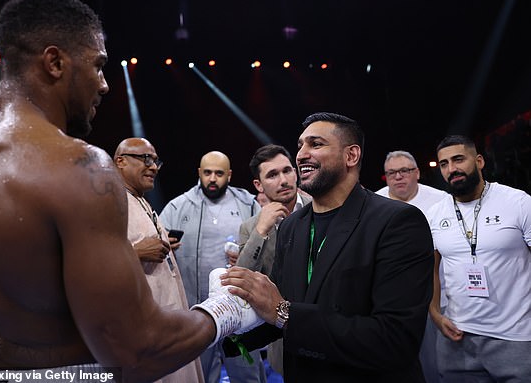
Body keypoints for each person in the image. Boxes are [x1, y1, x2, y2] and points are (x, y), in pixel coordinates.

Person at [0, 0, 261, 382]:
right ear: (54, 61)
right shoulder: (78, 166)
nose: (105, 84)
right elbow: (137, 350)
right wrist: (223, 311)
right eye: (98, 65)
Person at [221, 112, 434, 382]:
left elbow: (393, 339)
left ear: (351, 155)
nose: (301, 154)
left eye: (316, 144)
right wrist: (220, 331)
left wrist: (284, 313)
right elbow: (274, 306)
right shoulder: (292, 226)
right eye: (300, 145)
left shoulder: (398, 222)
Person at [427, 135, 531, 382]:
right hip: (456, 337)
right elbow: (429, 269)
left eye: (459, 159)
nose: (452, 169)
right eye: (444, 164)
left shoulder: (518, 202)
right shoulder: (434, 214)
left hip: (515, 336)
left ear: (479, 161)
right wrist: (435, 314)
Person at [159, 151, 266, 383]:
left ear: (229, 175)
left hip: (239, 309)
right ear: (199, 173)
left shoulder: (247, 203)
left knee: (248, 376)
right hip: (197, 312)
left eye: (219, 173)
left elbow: (266, 244)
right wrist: (165, 243)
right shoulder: (179, 206)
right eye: (207, 173)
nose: (213, 179)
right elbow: (156, 244)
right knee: (200, 377)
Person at [113, 137, 204, 383]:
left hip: (168, 323)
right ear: (120, 161)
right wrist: (135, 252)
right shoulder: (109, 202)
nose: (153, 166)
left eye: (155, 161)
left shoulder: (141, 201)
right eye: (145, 159)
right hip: (143, 330)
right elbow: (87, 264)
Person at [236, 144, 312, 377]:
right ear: (258, 185)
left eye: (287, 171)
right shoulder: (251, 227)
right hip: (283, 335)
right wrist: (261, 230)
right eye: (272, 174)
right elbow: (241, 277)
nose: (284, 180)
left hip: (327, 324)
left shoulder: (320, 205)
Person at [375, 150, 447, 383]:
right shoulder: (372, 203)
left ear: (417, 173)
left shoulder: (441, 201)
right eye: (392, 173)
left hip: (436, 296)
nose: (398, 177)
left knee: (436, 363)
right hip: (390, 300)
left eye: (404, 171)